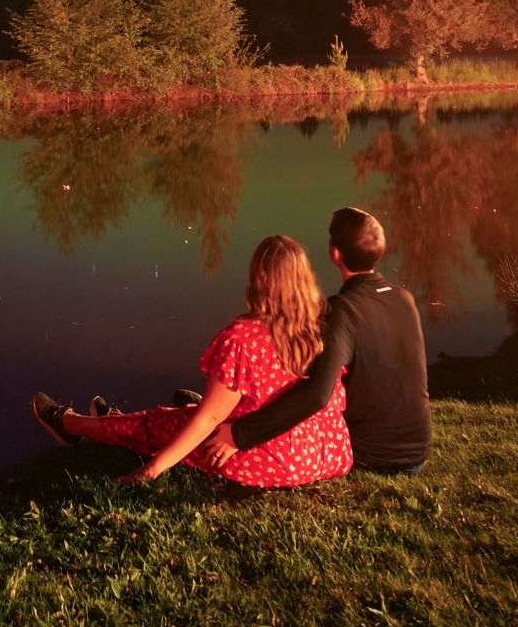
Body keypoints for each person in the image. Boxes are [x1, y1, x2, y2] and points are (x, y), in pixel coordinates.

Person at [30, 234, 352, 488]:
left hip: (268, 457)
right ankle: (111, 420)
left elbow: (208, 419)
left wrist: (150, 471)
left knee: (160, 423)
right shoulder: (320, 326)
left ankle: (70, 425)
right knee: (187, 414)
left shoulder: (244, 338)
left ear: (262, 276)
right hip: (321, 452)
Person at [197, 207, 430, 476]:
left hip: (373, 456)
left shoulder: (341, 311)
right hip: (418, 452)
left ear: (335, 254)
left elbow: (316, 394)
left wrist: (239, 435)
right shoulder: (404, 299)